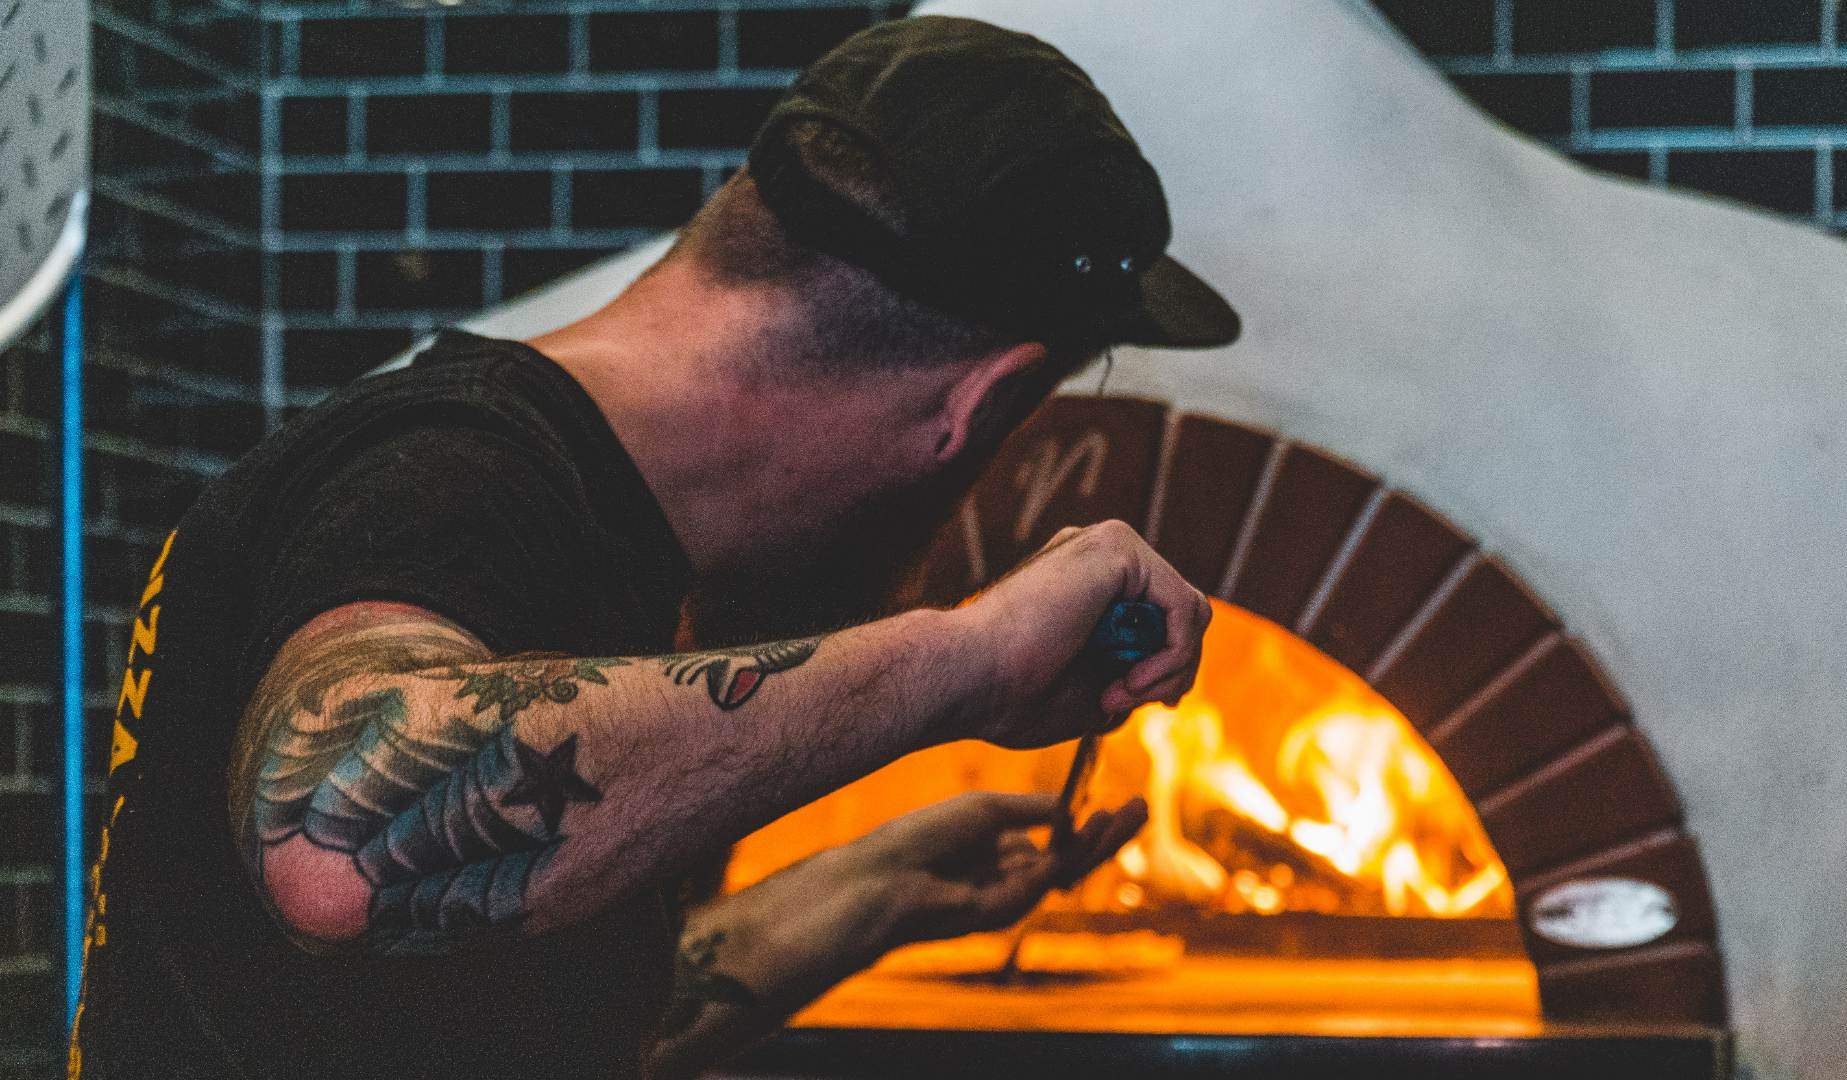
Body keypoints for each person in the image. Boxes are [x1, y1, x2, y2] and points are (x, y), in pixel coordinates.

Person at [68, 14, 1240, 1080]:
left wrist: (869, 894)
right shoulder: (453, 474)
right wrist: (969, 660)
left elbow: (511, 1014)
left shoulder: (574, 514)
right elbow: (337, 842)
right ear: (983, 404)